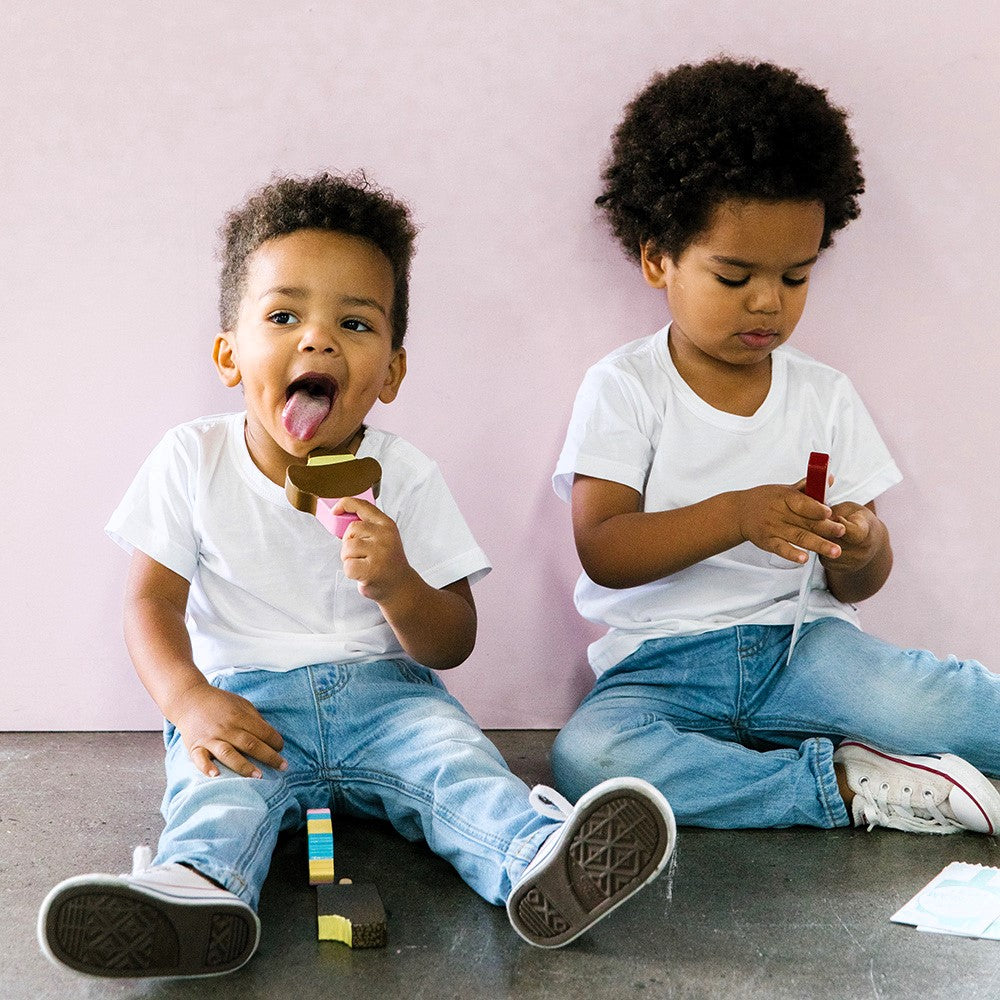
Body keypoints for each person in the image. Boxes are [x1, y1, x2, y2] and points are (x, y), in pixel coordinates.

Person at [38, 173, 675, 979]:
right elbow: (149, 601)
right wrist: (187, 699)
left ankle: (538, 859)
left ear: (393, 371)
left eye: (354, 322)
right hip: (247, 701)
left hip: (390, 698)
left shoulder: (404, 476)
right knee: (215, 795)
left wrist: (400, 583)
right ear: (230, 355)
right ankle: (192, 889)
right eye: (283, 316)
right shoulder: (190, 460)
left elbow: (452, 644)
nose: (318, 340)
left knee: (459, 764)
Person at [551, 57, 1000, 838]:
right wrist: (737, 514)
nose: (768, 301)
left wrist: (859, 545)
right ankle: (847, 784)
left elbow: (858, 585)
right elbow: (604, 549)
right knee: (590, 758)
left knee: (929, 700)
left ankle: (868, 752)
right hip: (657, 669)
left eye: (796, 277)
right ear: (659, 258)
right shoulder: (625, 387)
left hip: (805, 651)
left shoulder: (822, 394)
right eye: (734, 276)